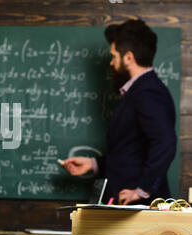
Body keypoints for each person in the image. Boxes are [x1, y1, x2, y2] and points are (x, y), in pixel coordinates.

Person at [61, 20, 177, 205]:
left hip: (137, 210)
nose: (111, 62)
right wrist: (93, 164)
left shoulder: (148, 92)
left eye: (114, 56)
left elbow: (165, 142)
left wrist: (142, 190)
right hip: (125, 205)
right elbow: (132, 152)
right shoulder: (138, 91)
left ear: (129, 57)